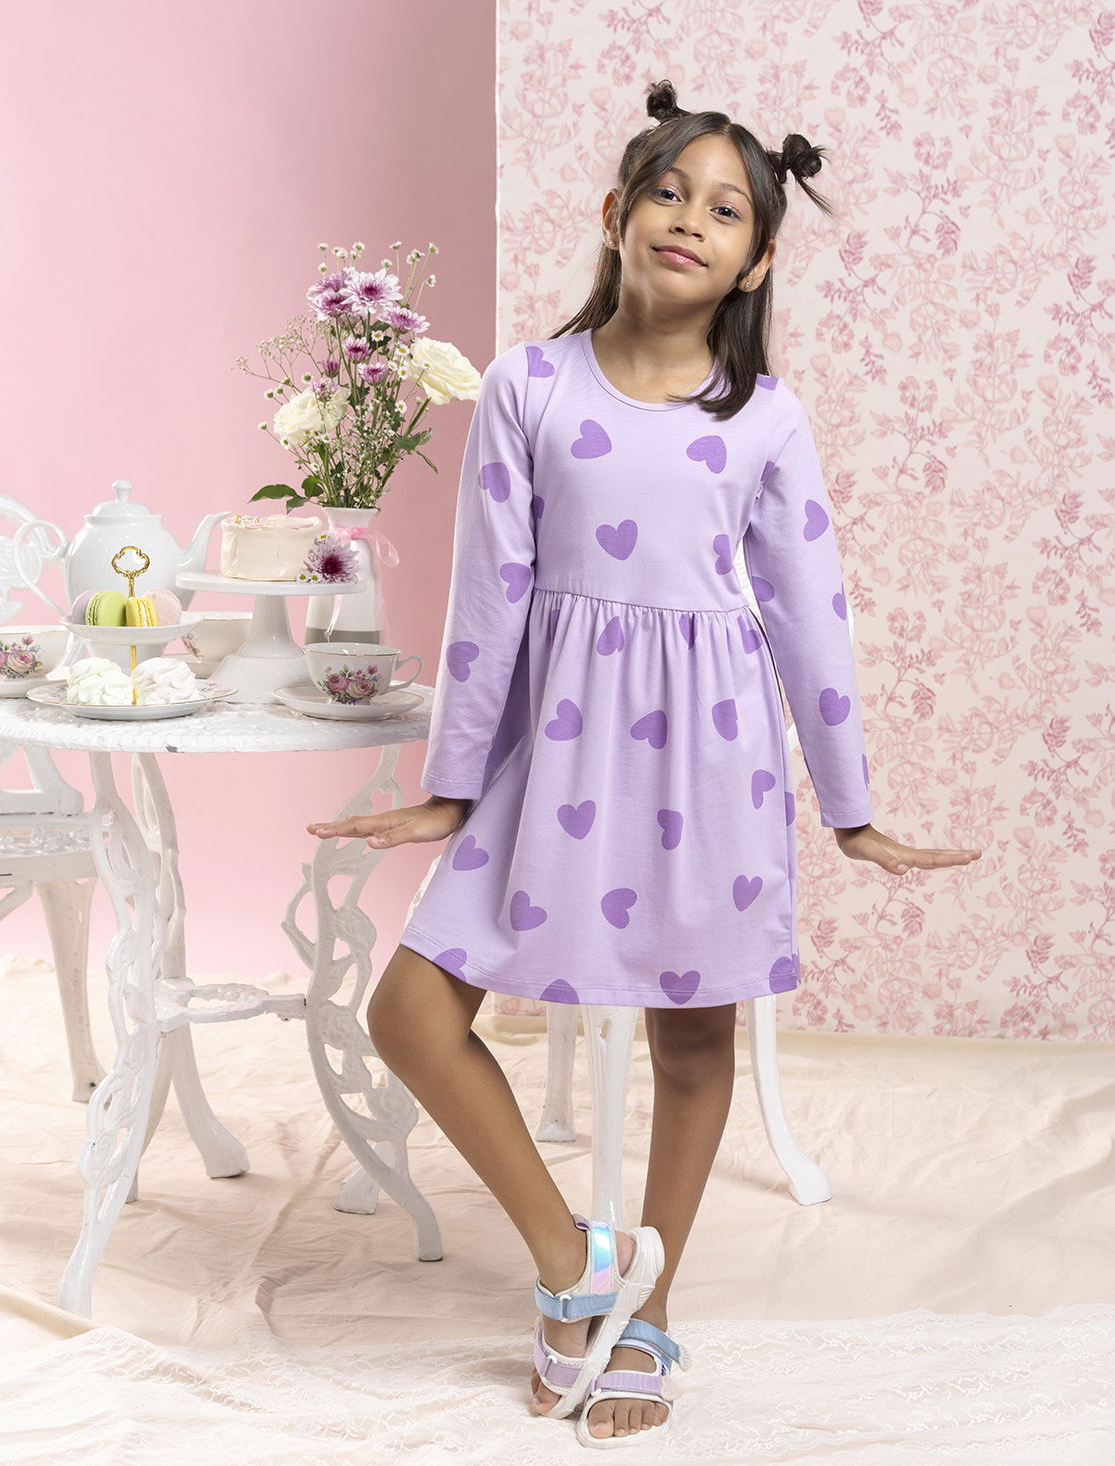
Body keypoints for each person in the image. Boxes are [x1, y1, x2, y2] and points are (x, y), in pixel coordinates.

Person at [309, 77, 982, 1448]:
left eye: (725, 209)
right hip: (553, 751)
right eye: (669, 191)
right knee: (413, 1013)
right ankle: (577, 1265)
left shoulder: (767, 418)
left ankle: (651, 1308)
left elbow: (808, 613)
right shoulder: (527, 385)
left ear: (758, 260)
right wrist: (451, 784)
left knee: (693, 1040)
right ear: (616, 212)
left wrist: (849, 808)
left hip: (711, 759)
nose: (689, 219)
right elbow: (489, 596)